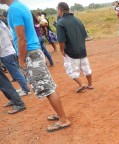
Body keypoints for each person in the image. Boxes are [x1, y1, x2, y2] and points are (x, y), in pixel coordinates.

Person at [1, 0, 71, 132]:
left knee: (47, 89)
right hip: (34, 52)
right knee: (49, 86)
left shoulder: (14, 10)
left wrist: (21, 60)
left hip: (30, 53)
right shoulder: (19, 6)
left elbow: (22, 38)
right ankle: (60, 115)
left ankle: (63, 119)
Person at [57, 2, 93, 92]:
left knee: (71, 70)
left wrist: (62, 49)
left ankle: (81, 84)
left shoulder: (60, 22)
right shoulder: (77, 20)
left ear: (60, 10)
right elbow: (85, 35)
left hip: (70, 51)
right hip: (82, 49)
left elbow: (61, 40)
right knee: (86, 68)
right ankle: (90, 84)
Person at [0, 20, 31, 97]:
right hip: (11, 51)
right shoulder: (3, 27)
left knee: (15, 73)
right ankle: (24, 88)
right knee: (16, 72)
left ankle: (26, 89)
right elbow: (11, 37)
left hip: (6, 54)